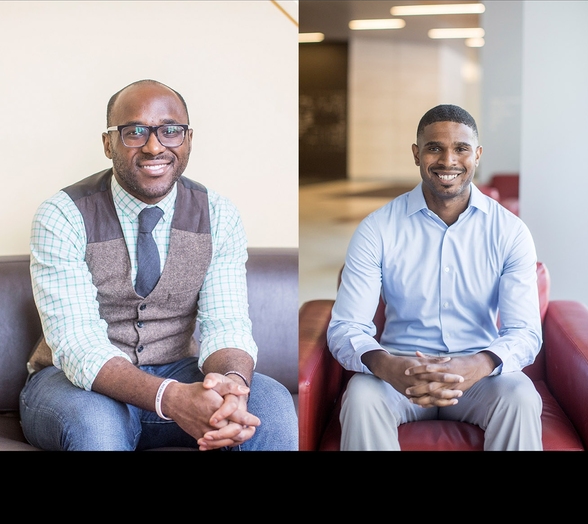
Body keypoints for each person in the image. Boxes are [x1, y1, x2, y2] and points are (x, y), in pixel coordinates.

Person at [21, 79, 298, 451]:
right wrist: (171, 398)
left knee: (272, 406)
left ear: (188, 140)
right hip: (73, 385)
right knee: (98, 427)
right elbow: (78, 345)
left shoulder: (218, 214)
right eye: (135, 131)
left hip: (179, 370)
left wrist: (232, 386)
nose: (155, 147)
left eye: (171, 131)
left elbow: (226, 323)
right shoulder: (62, 215)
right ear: (108, 144)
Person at [326, 104, 544, 450]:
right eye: (434, 148)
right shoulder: (377, 228)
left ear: (477, 155)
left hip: (478, 375)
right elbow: (346, 327)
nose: (448, 160)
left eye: (461, 148)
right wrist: (388, 366)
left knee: (520, 396)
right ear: (416, 154)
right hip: (400, 373)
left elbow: (525, 332)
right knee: (361, 396)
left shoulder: (510, 232)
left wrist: (481, 362)